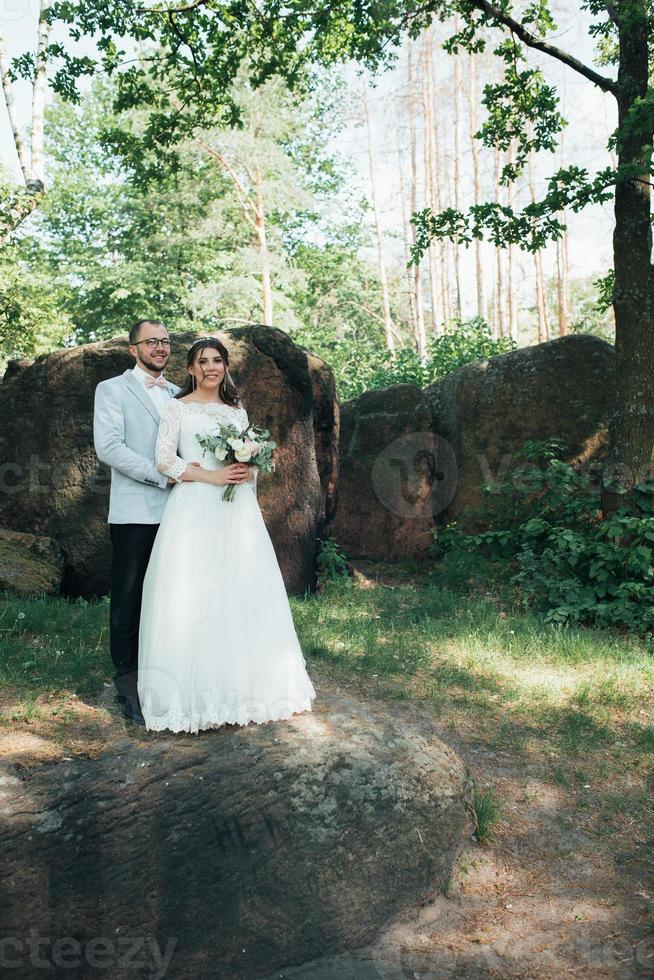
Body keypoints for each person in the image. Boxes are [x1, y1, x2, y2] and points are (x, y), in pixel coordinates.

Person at [137, 336, 317, 733]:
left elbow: (252, 467)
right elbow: (165, 460)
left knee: (239, 589)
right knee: (193, 592)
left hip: (237, 513)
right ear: (190, 369)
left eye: (217, 360)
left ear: (225, 366)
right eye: (202, 361)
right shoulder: (177, 409)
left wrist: (246, 470)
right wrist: (213, 476)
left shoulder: (237, 411)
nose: (210, 368)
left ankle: (246, 686)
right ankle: (192, 694)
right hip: (193, 507)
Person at [93, 319, 183, 725]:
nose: (160, 348)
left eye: (165, 342)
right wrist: (159, 474)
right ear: (133, 349)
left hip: (183, 513)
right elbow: (109, 447)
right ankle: (128, 682)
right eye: (152, 342)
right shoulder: (112, 389)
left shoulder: (181, 393)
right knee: (129, 597)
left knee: (171, 597)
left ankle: (168, 672)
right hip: (136, 511)